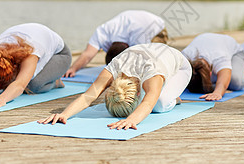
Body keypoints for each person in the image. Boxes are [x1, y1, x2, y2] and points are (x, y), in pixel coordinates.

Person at [40, 43, 191, 130]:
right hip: (150, 54)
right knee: (151, 96)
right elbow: (88, 97)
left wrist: (132, 119)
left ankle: (175, 99)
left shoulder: (152, 74)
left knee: (159, 103)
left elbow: (148, 103)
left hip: (180, 67)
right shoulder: (115, 68)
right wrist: (64, 114)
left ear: (138, 93)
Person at [63, 10, 168, 78]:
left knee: (154, 62)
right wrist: (73, 69)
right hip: (137, 20)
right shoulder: (102, 33)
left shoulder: (139, 39)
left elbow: (147, 60)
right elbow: (87, 55)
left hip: (157, 29)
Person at [181, 33, 244, 101]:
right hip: (207, 42)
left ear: (210, 73)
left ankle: (212, 82)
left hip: (235, 53)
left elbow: (225, 74)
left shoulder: (219, 56)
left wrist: (218, 92)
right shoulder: (184, 56)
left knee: (236, 83)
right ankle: (208, 83)